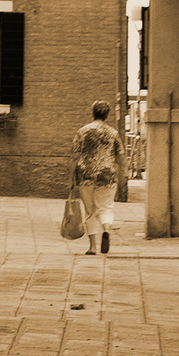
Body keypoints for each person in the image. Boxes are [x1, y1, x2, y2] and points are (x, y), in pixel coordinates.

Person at [72, 100, 125, 256]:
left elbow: (74, 156)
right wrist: (123, 174)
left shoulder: (83, 131)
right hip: (107, 175)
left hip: (86, 175)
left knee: (90, 211)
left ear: (92, 112)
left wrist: (71, 178)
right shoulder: (113, 133)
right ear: (107, 114)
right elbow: (121, 156)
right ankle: (106, 230)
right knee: (106, 207)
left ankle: (92, 247)